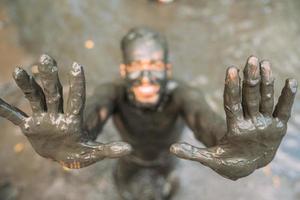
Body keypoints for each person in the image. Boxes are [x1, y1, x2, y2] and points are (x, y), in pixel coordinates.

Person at [0, 27, 297, 200]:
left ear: (167, 69)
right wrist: (74, 136)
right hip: (127, 161)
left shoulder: (181, 94)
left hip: (167, 163)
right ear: (124, 70)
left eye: (154, 67)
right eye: (137, 67)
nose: (145, 77)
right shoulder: (113, 92)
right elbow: (91, 116)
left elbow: (204, 122)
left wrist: (231, 143)